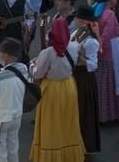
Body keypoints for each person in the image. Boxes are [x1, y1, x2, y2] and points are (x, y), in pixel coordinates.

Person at [30, 17, 85, 162]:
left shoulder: (48, 52)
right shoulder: (74, 46)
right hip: (69, 86)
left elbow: (38, 74)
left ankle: (51, 154)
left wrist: (32, 65)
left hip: (51, 88)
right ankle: (68, 154)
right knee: (68, 120)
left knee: (51, 123)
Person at [70, 5, 101, 153]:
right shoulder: (76, 32)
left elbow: (93, 65)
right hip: (74, 75)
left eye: (78, 18)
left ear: (84, 21)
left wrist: (80, 58)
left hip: (84, 79)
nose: (75, 20)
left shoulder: (91, 42)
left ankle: (84, 145)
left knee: (83, 111)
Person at [93, 0, 119, 123]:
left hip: (98, 54)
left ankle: (98, 114)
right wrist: (101, 48)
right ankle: (109, 115)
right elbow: (106, 37)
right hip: (109, 53)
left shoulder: (95, 10)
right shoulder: (110, 15)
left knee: (99, 84)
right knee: (112, 82)